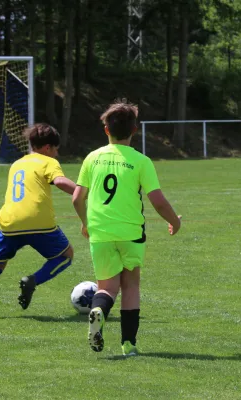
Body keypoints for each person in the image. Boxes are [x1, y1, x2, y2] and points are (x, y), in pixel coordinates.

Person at [72, 99, 181, 356]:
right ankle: (129, 344)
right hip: (131, 232)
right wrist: (174, 221)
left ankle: (98, 310)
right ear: (134, 130)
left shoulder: (92, 158)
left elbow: (77, 198)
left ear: (106, 130)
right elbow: (157, 200)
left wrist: (86, 223)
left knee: (107, 287)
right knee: (131, 286)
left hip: (100, 231)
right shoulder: (141, 161)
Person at [0, 123, 76, 321]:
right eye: (56, 149)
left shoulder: (17, 163)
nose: (56, 154)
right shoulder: (47, 161)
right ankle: (33, 280)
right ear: (48, 147)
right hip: (39, 222)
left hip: (10, 222)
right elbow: (59, 182)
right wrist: (85, 193)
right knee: (66, 255)